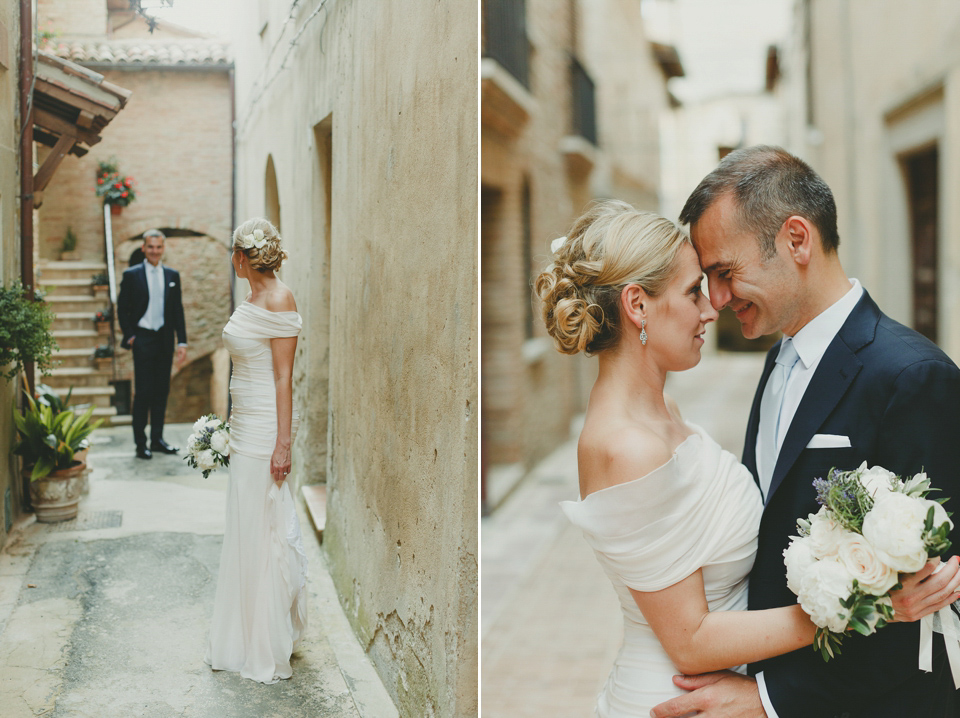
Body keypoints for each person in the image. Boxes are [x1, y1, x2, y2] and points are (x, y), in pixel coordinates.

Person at [537, 199, 960, 718]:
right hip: (682, 698)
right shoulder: (627, 447)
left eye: (718, 277)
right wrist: (862, 605)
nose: (712, 307)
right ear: (636, 305)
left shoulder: (665, 411)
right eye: (695, 290)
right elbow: (690, 639)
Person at [648, 145, 960, 718]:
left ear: (796, 240)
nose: (716, 300)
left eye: (725, 272)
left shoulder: (914, 378)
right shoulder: (778, 362)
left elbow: (924, 603)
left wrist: (770, 700)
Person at [205, 217, 308, 684]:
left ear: (244, 257)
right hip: (243, 424)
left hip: (267, 426)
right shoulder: (248, 297)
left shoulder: (279, 298)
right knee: (243, 523)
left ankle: (263, 641)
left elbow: (284, 376)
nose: (232, 261)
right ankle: (239, 633)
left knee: (264, 526)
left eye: (234, 253)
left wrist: (283, 442)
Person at [117, 229, 187, 459]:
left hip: (165, 339)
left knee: (161, 392)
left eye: (158, 247)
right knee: (143, 393)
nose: (154, 251)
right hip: (143, 338)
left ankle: (157, 440)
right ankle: (141, 444)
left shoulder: (172, 275)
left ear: (163, 249)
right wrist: (130, 335)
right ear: (143, 249)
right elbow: (122, 308)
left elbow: (177, 310)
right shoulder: (132, 275)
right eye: (151, 247)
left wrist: (182, 341)